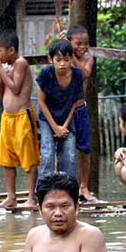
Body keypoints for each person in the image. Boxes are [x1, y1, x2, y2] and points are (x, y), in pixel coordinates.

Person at [0, 29, 40, 208]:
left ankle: (32, 197)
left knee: (28, 158)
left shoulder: (20, 63)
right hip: (7, 118)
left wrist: (0, 71)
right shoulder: (5, 67)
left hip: (22, 117)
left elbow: (16, 88)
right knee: (6, 159)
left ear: (11, 50)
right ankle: (11, 197)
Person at [24, 171, 108, 252]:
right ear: (40, 209)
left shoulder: (90, 236)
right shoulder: (34, 236)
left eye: (64, 206)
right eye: (50, 207)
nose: (58, 213)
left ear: (77, 208)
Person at [36, 39, 84, 183]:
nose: (62, 63)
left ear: (71, 59)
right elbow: (41, 102)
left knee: (69, 156)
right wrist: (55, 127)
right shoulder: (46, 74)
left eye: (66, 59)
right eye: (58, 60)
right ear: (51, 59)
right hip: (47, 119)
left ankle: (69, 193)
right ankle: (43, 193)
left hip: (66, 120)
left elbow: (76, 102)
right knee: (47, 154)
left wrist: (64, 126)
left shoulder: (77, 75)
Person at [67, 25, 96, 201]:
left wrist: (71, 53)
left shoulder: (88, 59)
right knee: (62, 149)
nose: (83, 47)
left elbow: (83, 74)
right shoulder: (63, 56)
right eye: (78, 43)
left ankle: (84, 186)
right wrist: (65, 50)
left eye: (86, 43)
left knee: (84, 150)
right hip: (63, 110)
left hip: (80, 108)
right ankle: (64, 186)